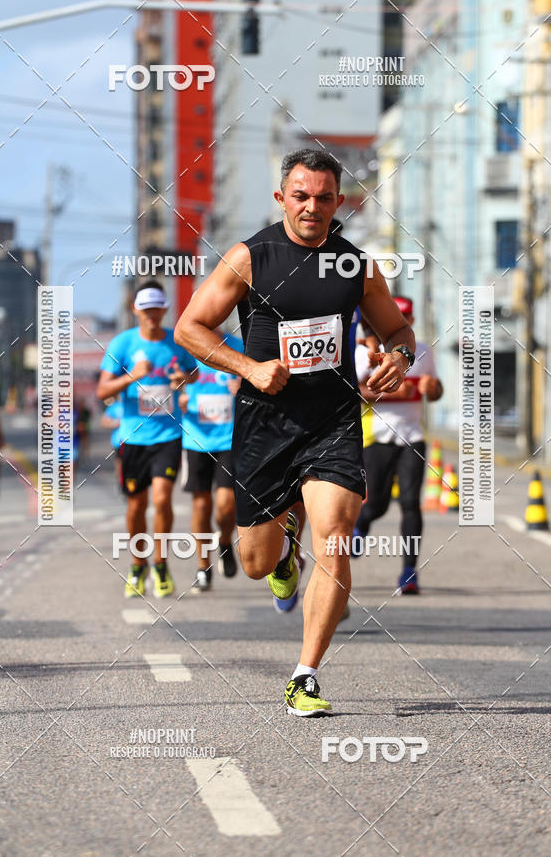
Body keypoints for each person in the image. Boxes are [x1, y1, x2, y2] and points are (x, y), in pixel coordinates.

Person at [174, 148, 416, 716]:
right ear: (282, 197)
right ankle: (283, 559)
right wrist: (248, 367)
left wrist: (400, 357)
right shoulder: (250, 258)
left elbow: (398, 329)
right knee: (256, 560)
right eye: (301, 195)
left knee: (334, 533)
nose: (312, 207)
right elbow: (191, 327)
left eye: (325, 198)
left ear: (340, 202)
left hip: (333, 419)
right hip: (265, 421)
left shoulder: (355, 266)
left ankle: (305, 676)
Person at [97, 281, 197, 598]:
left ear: (165, 310)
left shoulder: (177, 342)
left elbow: (194, 372)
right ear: (136, 310)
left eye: (157, 308)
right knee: (136, 506)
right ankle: (137, 564)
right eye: (146, 308)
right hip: (132, 438)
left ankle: (161, 563)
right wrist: (133, 376)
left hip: (168, 435)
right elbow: (103, 391)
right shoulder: (122, 344)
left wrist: (184, 378)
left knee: (162, 500)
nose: (152, 314)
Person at [354, 295, 443, 594]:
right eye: (396, 319)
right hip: (377, 436)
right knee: (377, 504)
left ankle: (409, 571)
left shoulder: (425, 352)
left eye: (406, 319)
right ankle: (362, 524)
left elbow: (435, 390)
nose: (401, 324)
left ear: (412, 322)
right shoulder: (369, 352)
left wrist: (434, 388)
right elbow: (354, 391)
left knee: (410, 504)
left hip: (413, 437)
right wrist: (393, 392)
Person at [179, 329, 244, 592]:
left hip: (229, 439)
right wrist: (178, 397)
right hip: (196, 438)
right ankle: (202, 566)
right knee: (201, 505)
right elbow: (170, 383)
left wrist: (243, 387)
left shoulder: (237, 344)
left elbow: (256, 378)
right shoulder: (187, 345)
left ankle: (226, 541)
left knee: (227, 506)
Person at [101, 396, 124, 486]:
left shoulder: (135, 403)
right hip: (118, 441)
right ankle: (121, 484)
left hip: (135, 440)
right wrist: (116, 423)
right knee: (120, 463)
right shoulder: (114, 407)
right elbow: (104, 422)